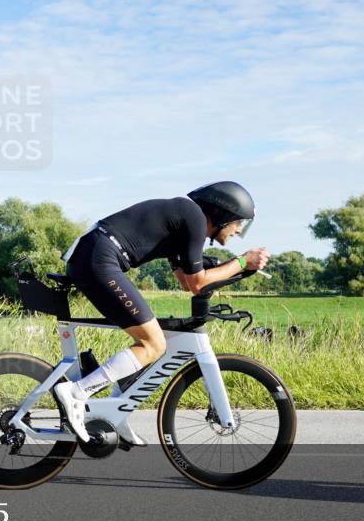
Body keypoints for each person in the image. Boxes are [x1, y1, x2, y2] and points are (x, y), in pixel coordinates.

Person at [54, 181, 270, 445]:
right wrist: (241, 262)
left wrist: (236, 268)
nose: (238, 231)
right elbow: (198, 282)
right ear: (223, 214)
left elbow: (186, 280)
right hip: (99, 259)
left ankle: (113, 415)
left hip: (94, 255)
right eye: (239, 223)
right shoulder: (193, 219)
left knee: (154, 340)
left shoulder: (187, 221)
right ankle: (76, 393)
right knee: (153, 343)